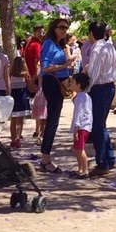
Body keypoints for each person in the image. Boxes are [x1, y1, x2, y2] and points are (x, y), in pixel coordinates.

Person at [83, 21, 116, 178]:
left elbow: (93, 74)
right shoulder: (109, 46)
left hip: (99, 89)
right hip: (109, 86)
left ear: (91, 34)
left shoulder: (97, 49)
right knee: (101, 125)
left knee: (97, 127)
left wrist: (84, 90)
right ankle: (109, 158)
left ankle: (102, 162)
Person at [37, 18, 72, 174]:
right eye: (61, 27)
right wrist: (64, 65)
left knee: (54, 120)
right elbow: (45, 67)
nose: (64, 30)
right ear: (54, 28)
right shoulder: (49, 44)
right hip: (52, 83)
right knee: (52, 121)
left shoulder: (59, 45)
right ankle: (45, 159)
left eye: (66, 28)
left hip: (59, 83)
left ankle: (46, 157)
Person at [65, 72, 92, 178]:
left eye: (73, 83)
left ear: (79, 85)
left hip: (81, 127)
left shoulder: (81, 97)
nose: (70, 84)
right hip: (85, 126)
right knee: (76, 148)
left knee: (80, 149)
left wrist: (76, 129)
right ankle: (80, 169)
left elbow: (79, 113)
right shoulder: (86, 97)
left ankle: (85, 170)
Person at [9, 56, 31, 149]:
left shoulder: (10, 75)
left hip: (13, 98)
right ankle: (18, 138)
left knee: (13, 120)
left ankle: (13, 139)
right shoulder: (26, 75)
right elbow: (30, 87)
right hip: (22, 98)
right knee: (20, 121)